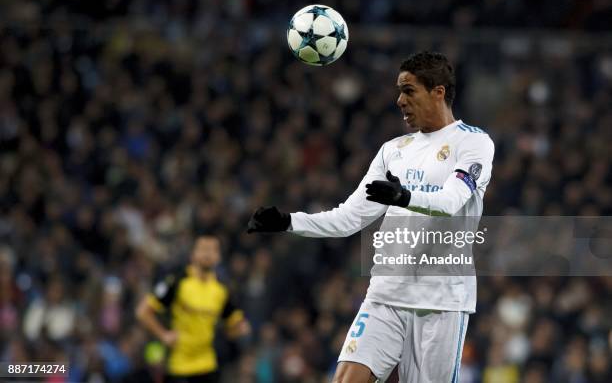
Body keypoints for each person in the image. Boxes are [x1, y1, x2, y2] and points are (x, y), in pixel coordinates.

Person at [247, 51, 495, 383]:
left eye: (409, 91)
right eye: (399, 91)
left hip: (440, 300)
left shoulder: (474, 142)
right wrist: (290, 221)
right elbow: (350, 217)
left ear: (438, 91)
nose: (399, 100)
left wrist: (403, 196)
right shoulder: (393, 151)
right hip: (386, 294)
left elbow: (452, 200)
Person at [136, 236, 250, 383]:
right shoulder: (178, 280)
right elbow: (143, 311)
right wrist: (163, 335)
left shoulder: (221, 289)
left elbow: (232, 327)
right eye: (203, 249)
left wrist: (239, 329)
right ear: (193, 254)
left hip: (207, 365)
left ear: (218, 257)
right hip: (179, 366)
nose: (208, 254)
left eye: (212, 250)